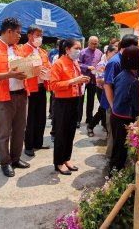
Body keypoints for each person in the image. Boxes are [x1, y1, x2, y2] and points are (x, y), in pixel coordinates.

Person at [0, 17, 30, 177]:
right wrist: (7, 75)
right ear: (8, 31)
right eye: (17, 33)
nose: (19, 36)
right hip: (2, 97)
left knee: (20, 129)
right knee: (4, 132)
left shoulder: (18, 49)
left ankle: (15, 158)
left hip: (21, 94)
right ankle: (5, 162)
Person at [50, 38, 90, 175]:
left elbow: (75, 81)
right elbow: (53, 85)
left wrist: (82, 80)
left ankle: (66, 158)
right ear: (67, 49)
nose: (79, 51)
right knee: (61, 133)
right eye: (76, 48)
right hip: (62, 102)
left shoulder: (74, 63)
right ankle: (59, 162)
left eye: (80, 48)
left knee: (70, 132)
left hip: (75, 100)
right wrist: (74, 81)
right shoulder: (59, 64)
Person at [102, 34, 138, 158]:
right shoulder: (115, 62)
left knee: (120, 140)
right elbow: (107, 85)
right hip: (114, 106)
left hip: (121, 105)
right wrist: (113, 106)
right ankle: (113, 166)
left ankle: (116, 162)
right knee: (115, 138)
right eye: (134, 48)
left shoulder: (128, 59)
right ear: (126, 47)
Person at [110, 46, 139, 171]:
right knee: (120, 151)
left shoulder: (122, 75)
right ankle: (114, 176)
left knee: (117, 148)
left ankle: (114, 171)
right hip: (124, 119)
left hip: (116, 115)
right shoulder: (133, 81)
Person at [22, 25, 51, 157]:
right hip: (29, 89)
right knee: (30, 118)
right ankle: (28, 145)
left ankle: (38, 142)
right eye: (37, 35)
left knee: (41, 117)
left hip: (41, 87)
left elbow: (48, 66)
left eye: (41, 35)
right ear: (29, 36)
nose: (40, 38)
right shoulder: (22, 50)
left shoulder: (43, 52)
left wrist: (47, 72)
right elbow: (21, 69)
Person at [86, 44, 118, 137]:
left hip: (110, 89)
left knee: (104, 110)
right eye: (115, 53)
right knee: (103, 109)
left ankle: (98, 126)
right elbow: (99, 79)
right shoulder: (102, 64)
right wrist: (115, 80)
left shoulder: (112, 62)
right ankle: (91, 126)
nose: (117, 55)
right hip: (102, 90)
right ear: (108, 52)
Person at [77, 36, 103, 128]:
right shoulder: (82, 52)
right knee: (80, 100)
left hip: (94, 80)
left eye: (96, 43)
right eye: (92, 43)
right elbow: (78, 64)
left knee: (91, 100)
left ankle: (89, 118)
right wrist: (87, 67)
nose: (94, 45)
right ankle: (78, 120)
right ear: (88, 43)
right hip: (84, 79)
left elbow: (101, 65)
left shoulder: (99, 53)